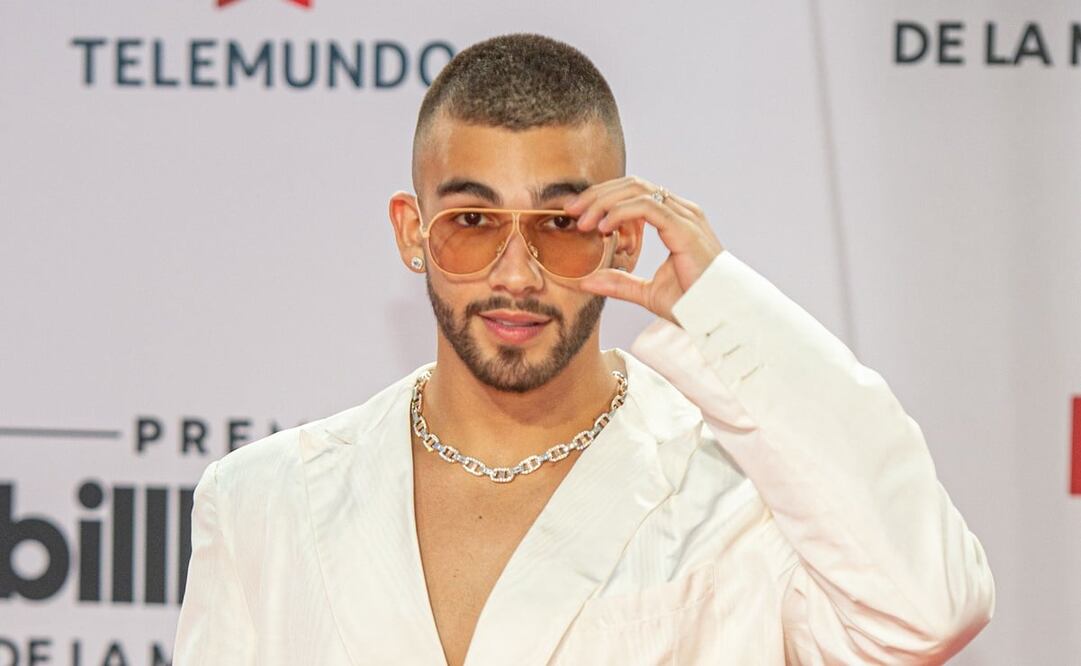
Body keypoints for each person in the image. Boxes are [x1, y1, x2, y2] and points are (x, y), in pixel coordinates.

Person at [172, 33, 995, 665]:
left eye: (560, 227)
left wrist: (719, 304)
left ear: (625, 241)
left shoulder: (748, 504)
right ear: (411, 233)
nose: (517, 275)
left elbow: (927, 610)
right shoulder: (263, 502)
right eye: (472, 222)